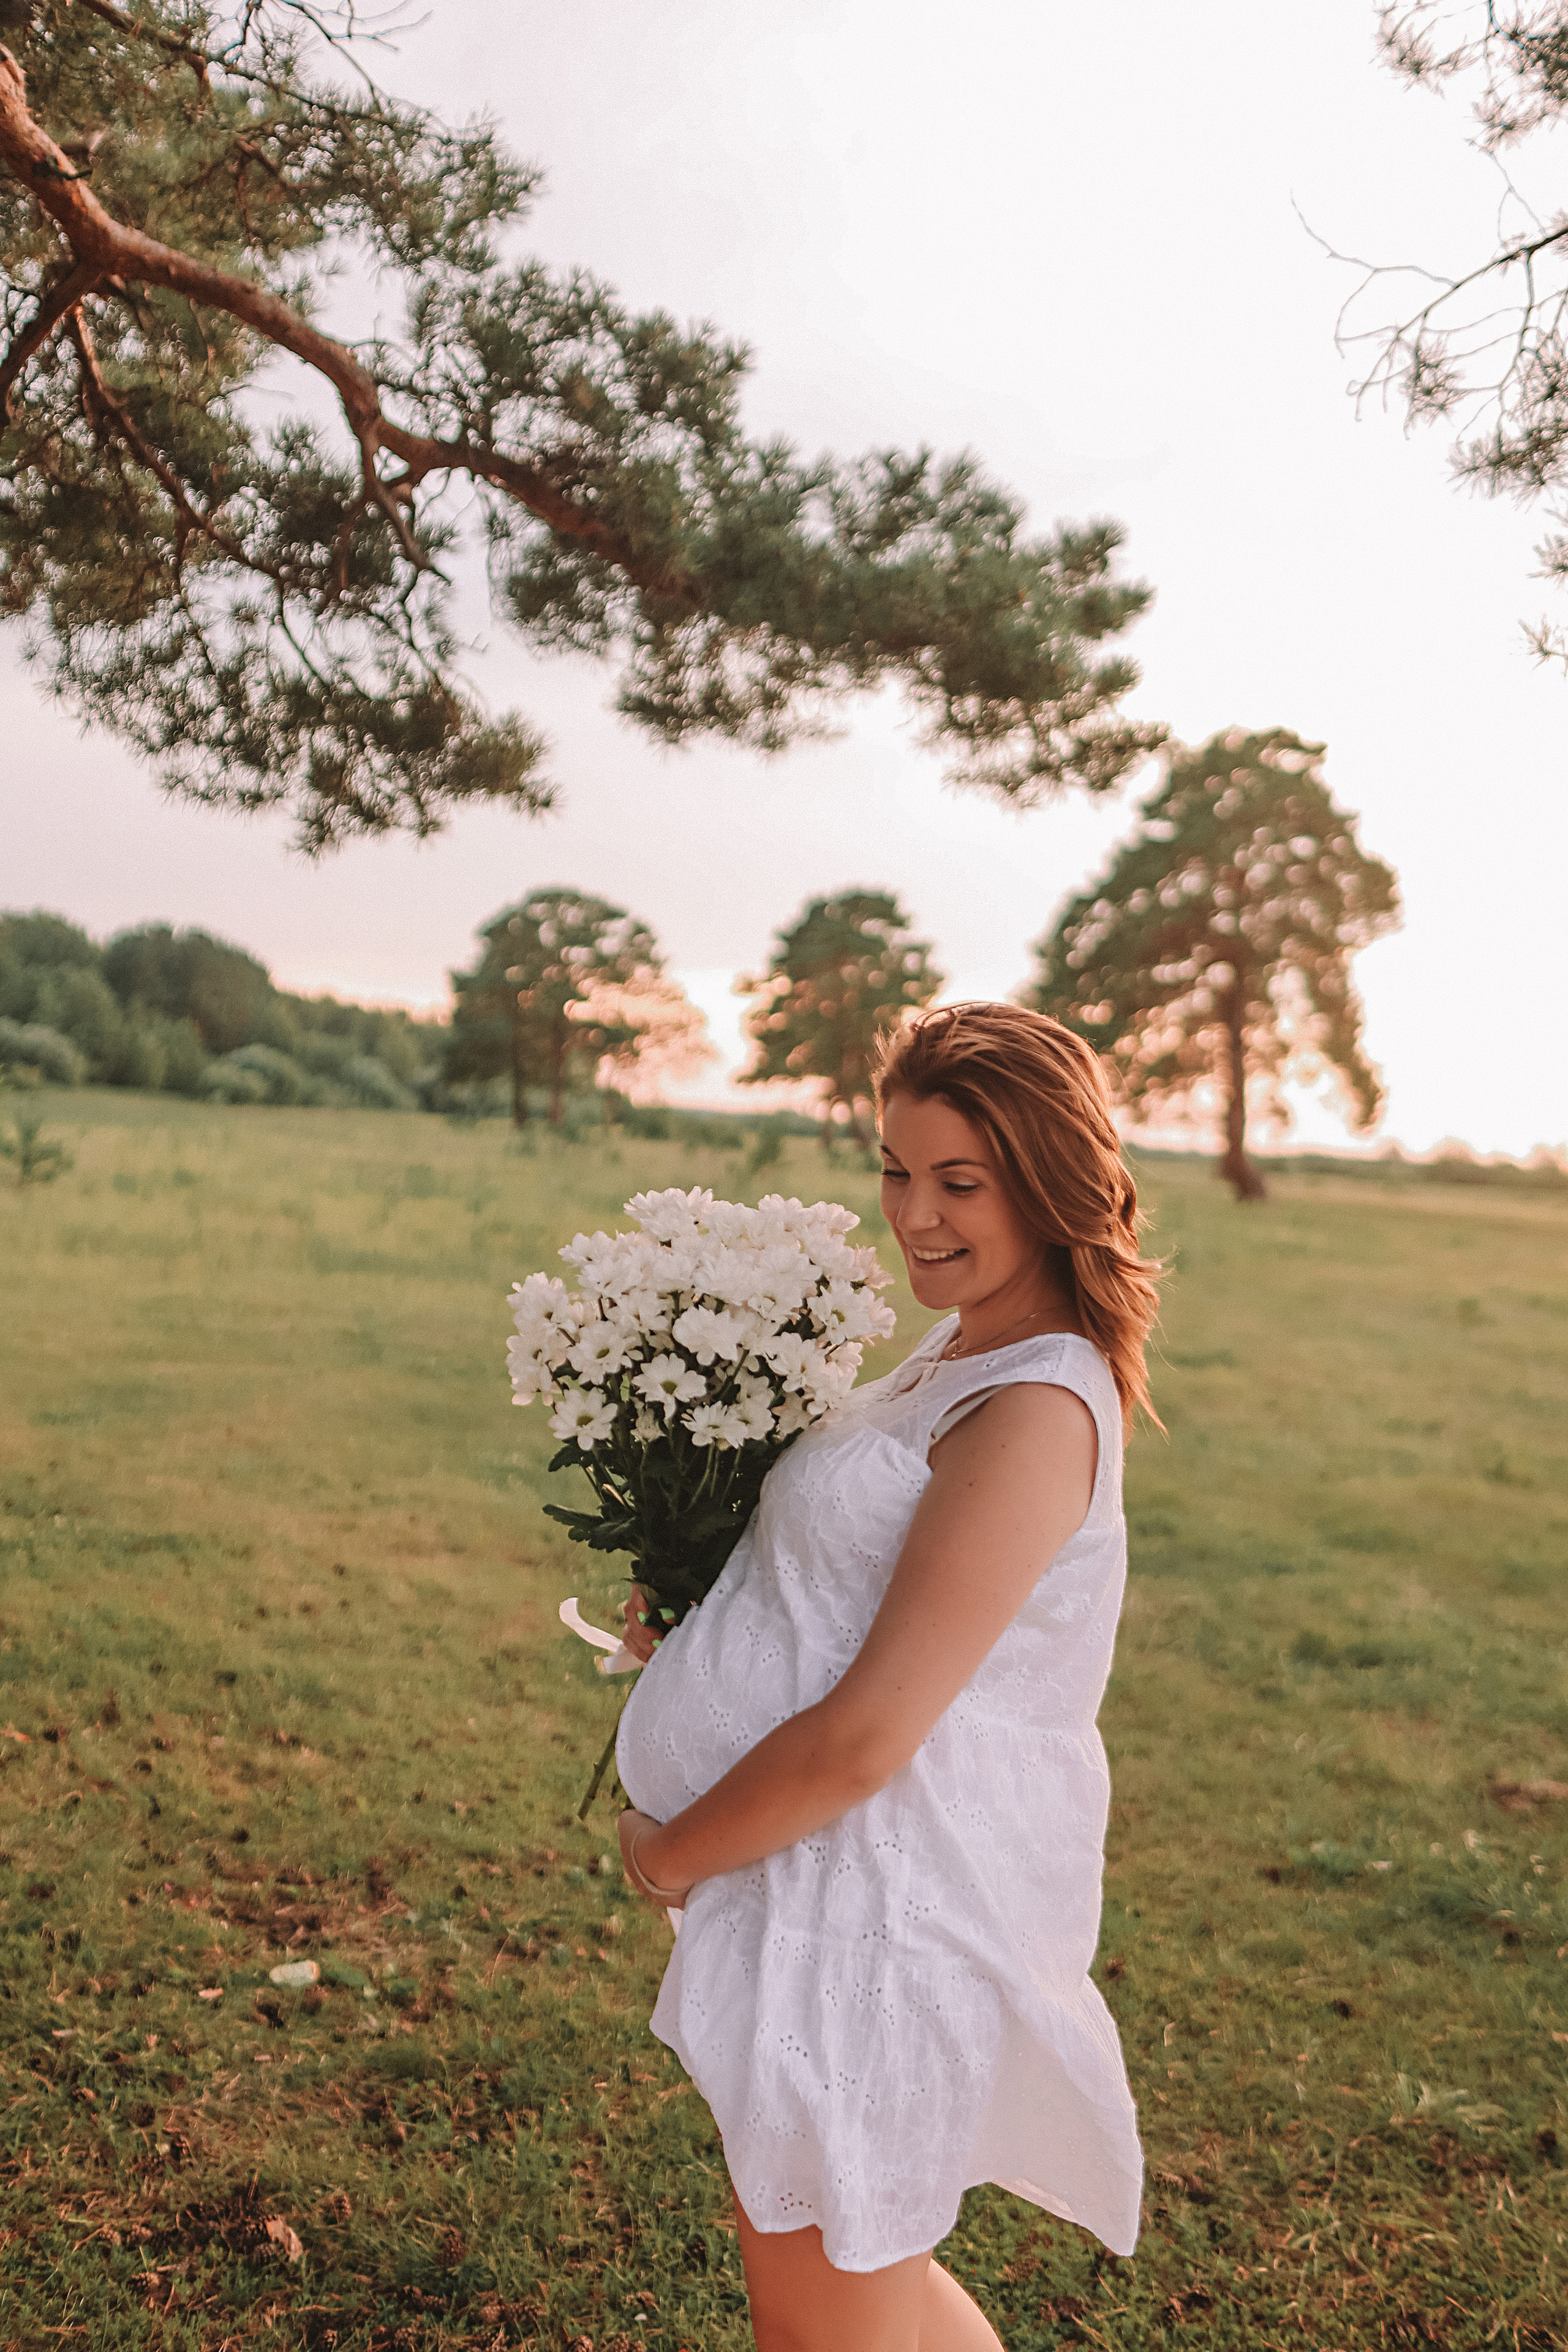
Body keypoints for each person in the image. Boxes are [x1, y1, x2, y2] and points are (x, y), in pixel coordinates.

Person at [612, 1001, 1163, 2352]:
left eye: (958, 1182)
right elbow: (849, 1584)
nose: (914, 1214)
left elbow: (870, 1733)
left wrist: (672, 1857)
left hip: (881, 1921)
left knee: (827, 2320)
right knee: (874, 2285)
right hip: (825, 1892)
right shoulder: (962, 1347)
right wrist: (698, 1604)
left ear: (1050, 1180)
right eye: (895, 1169)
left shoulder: (1032, 1407)